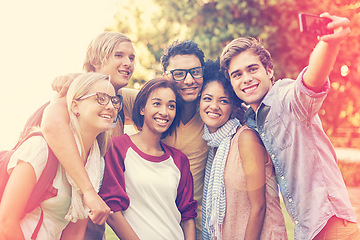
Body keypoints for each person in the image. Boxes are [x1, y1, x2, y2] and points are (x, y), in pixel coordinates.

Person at [220, 13, 360, 240]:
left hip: (332, 224)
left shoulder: (285, 97)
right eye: (237, 74)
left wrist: (328, 42)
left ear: (269, 71)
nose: (245, 78)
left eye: (252, 69)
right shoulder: (253, 121)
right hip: (307, 230)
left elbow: (311, 82)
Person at [0, 73, 119, 239]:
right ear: (75, 105)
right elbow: (5, 224)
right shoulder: (40, 148)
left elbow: (75, 233)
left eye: (114, 101)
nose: (110, 107)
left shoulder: (94, 164)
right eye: (100, 98)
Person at [41, 32, 136, 235]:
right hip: (65, 209)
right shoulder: (77, 91)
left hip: (93, 216)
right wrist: (88, 192)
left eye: (131, 57)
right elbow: (52, 125)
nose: (128, 62)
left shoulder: (121, 100)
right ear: (95, 61)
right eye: (118, 55)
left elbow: (158, 98)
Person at [121, 39, 209, 238]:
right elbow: (103, 87)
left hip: (196, 228)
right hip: (152, 226)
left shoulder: (211, 114)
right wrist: (72, 78)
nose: (189, 80)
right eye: (179, 74)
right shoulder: (151, 105)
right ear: (166, 76)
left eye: (195, 71)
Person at [99, 78, 197, 239]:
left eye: (171, 106)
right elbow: (112, 209)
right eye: (157, 103)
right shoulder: (117, 148)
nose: (164, 112)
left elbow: (187, 216)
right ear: (142, 108)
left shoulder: (179, 160)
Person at [200, 59, 287, 240]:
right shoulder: (214, 148)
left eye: (223, 101)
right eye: (207, 98)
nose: (213, 106)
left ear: (233, 107)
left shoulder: (245, 138)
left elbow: (259, 207)